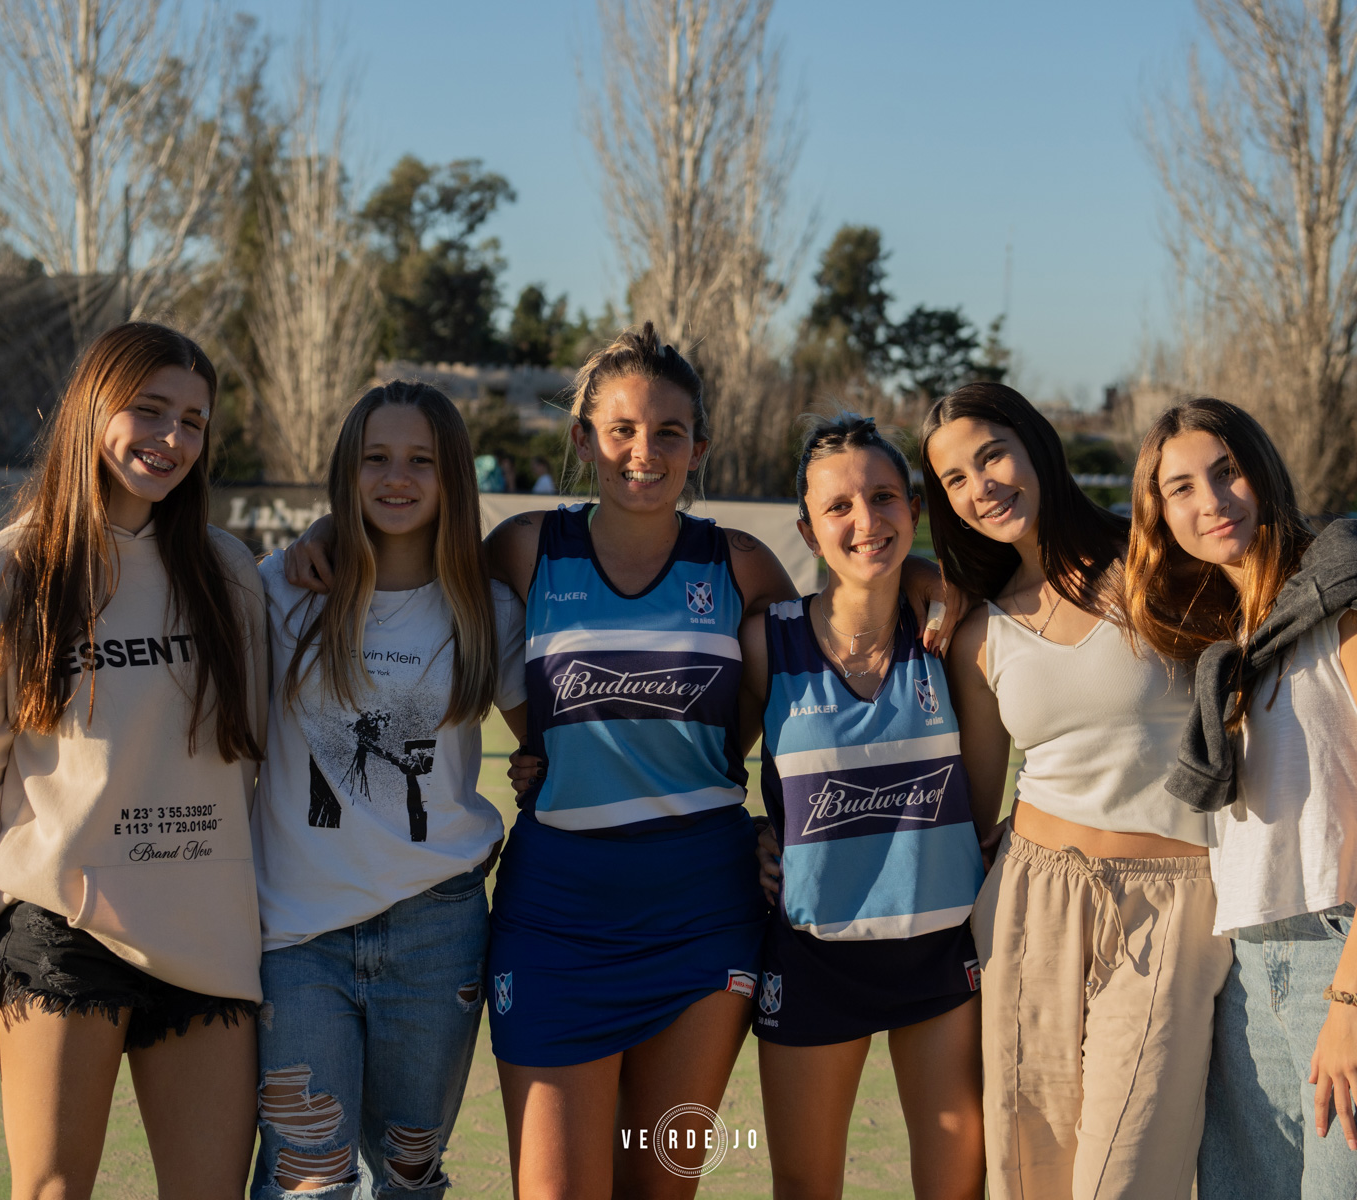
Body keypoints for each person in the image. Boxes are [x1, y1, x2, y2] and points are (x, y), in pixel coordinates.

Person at [286, 324, 958, 1199]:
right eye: (622, 431)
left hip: (702, 913)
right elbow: (412, 543)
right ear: (583, 440)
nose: (644, 453)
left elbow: (826, 640)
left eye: (669, 433)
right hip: (559, 913)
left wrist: (921, 574)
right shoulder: (527, 549)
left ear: (699, 449)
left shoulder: (742, 566)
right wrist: (330, 525)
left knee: (659, 1187)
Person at [0, 322, 269, 1198]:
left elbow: (262, 756)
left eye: (192, 419)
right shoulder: (1, 579)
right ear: (88, 408)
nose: (172, 438)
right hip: (65, 929)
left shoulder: (229, 574)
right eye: (148, 410)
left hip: (207, 935)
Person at [1125, 398, 1357, 1200]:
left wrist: (1353, 995)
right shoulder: (1238, 639)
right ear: (1160, 513)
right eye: (1180, 488)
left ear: (1264, 472)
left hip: (1355, 968)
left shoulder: (1348, 601)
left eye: (1226, 471)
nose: (1209, 501)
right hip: (1250, 969)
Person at [918, 380, 1232, 1200]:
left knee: (1122, 1176)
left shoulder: (1161, 563)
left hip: (1174, 907)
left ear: (1035, 448)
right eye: (954, 479)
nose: (981, 486)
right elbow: (973, 809)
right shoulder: (980, 632)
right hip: (1032, 905)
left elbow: (1285, 715)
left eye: (992, 455)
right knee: (1029, 1173)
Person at [249, 382, 528, 1198]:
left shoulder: (485, 611)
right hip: (299, 935)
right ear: (347, 471)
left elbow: (546, 747)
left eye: (421, 461)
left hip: (436, 928)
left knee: (409, 1175)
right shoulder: (285, 590)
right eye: (375, 458)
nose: (396, 477)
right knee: (310, 1178)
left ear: (453, 481)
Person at [749, 414, 989, 1200]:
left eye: (883, 497)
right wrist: (751, 834)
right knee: (806, 1187)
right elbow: (702, 770)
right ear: (807, 529)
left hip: (941, 956)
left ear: (914, 510)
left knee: (955, 1189)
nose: (865, 521)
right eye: (840, 507)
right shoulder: (766, 644)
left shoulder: (954, 637)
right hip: (815, 957)